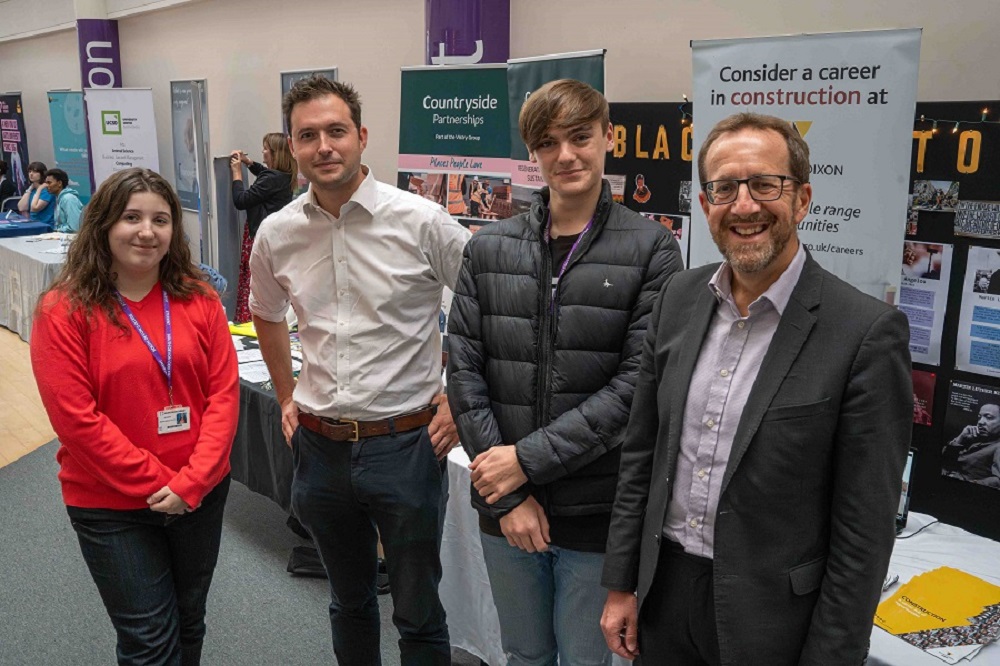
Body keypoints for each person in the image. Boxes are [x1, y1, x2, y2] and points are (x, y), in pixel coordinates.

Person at [600, 112, 912, 664]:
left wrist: (832, 656)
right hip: (664, 595)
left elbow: (863, 531)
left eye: (765, 184)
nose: (744, 206)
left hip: (773, 620)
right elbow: (641, 456)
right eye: (724, 188)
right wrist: (623, 582)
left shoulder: (863, 332)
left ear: (802, 199)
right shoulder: (677, 298)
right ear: (704, 205)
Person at [447, 79, 683, 666]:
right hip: (505, 505)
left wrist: (526, 460)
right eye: (548, 143)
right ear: (533, 154)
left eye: (580, 137)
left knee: (583, 660)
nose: (566, 155)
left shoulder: (652, 248)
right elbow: (464, 371)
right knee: (524, 655)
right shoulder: (488, 248)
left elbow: (636, 387)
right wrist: (510, 494)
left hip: (594, 510)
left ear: (608, 137)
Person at [249, 75, 470, 665]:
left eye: (336, 131)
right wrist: (286, 395)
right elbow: (266, 315)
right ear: (292, 147)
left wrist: (457, 400)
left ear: (362, 137)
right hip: (319, 450)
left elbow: (486, 312)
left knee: (418, 611)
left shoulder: (425, 222)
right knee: (348, 602)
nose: (324, 146)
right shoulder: (277, 233)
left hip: (406, 446)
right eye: (308, 135)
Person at [30, 167, 239, 665]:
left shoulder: (199, 297)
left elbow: (224, 395)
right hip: (110, 504)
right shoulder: (64, 310)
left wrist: (193, 482)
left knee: (190, 620)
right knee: (148, 639)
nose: (147, 231)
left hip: (201, 493)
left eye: (161, 219)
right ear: (102, 225)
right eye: (131, 217)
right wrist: (159, 481)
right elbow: (77, 421)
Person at [229, 133, 297, 323]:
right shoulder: (284, 175)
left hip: (259, 236)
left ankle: (249, 323)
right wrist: (249, 163)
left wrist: (236, 173)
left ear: (275, 154)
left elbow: (241, 200)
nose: (262, 152)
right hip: (274, 238)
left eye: (266, 149)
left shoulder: (271, 178)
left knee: (254, 281)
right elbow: (263, 174)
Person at [942, 403, 1000, 484]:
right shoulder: (976, 438)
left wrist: (970, 484)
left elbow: (998, 480)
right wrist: (960, 438)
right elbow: (944, 459)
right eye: (979, 417)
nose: (980, 422)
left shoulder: (998, 446)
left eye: (988, 417)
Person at [44, 168, 85, 233]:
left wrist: (57, 230)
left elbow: (75, 227)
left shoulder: (68, 199)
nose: (46, 186)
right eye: (46, 183)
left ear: (59, 183)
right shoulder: (60, 198)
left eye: (49, 183)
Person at [18, 161, 55, 227]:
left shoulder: (47, 190)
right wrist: (29, 189)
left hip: (45, 226)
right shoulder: (32, 189)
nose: (31, 174)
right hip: (33, 224)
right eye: (30, 171)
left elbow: (34, 208)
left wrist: (39, 189)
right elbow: (21, 207)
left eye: (35, 172)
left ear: (42, 174)